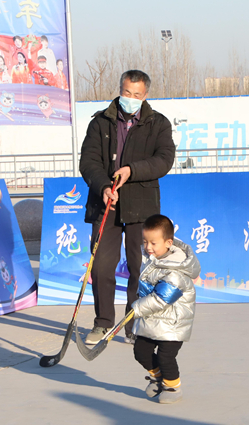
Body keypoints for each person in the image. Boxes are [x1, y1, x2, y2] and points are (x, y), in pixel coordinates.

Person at [79, 70, 175, 345]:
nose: (130, 98)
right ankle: (102, 324)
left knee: (139, 268)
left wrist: (132, 170)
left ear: (145, 95)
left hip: (141, 205)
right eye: (126, 93)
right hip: (106, 204)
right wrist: (103, 187)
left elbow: (164, 160)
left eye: (136, 94)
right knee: (101, 267)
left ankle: (134, 324)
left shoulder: (158, 123)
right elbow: (88, 161)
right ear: (120, 90)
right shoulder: (100, 122)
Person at [131, 215, 200, 404]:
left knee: (165, 356)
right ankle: (157, 377)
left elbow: (161, 299)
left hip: (173, 323)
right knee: (140, 351)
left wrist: (136, 308)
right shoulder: (152, 259)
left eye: (153, 243)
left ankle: (172, 387)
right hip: (152, 318)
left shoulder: (176, 270)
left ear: (169, 243)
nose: (148, 247)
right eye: (145, 241)